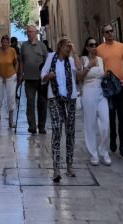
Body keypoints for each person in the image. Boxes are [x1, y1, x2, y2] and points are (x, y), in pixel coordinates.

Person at [41, 36, 80, 182]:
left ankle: (69, 165)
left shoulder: (71, 61)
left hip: (70, 99)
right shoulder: (51, 58)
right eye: (67, 47)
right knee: (57, 129)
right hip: (55, 99)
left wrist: (75, 52)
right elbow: (42, 76)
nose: (68, 49)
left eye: (70, 47)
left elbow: (80, 68)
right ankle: (56, 168)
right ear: (60, 47)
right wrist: (48, 76)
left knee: (70, 131)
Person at [96, 23, 123, 158]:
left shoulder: (121, 47)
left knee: (122, 117)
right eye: (107, 32)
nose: (110, 33)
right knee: (110, 116)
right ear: (103, 34)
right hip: (108, 89)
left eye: (111, 31)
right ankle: (112, 139)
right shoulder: (99, 49)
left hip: (121, 87)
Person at [81, 37, 111, 166]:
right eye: (91, 45)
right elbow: (79, 77)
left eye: (95, 44)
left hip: (100, 92)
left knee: (106, 122)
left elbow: (102, 74)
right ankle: (93, 154)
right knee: (90, 123)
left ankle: (104, 151)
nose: (94, 47)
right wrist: (88, 67)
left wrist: (106, 75)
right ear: (87, 47)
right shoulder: (84, 59)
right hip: (88, 91)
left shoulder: (100, 60)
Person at [19, 24, 49, 135]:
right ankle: (32, 126)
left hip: (41, 80)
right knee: (30, 103)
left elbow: (47, 60)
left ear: (36, 33)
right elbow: (21, 60)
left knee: (42, 103)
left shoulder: (42, 46)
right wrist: (21, 72)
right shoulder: (24, 46)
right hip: (28, 79)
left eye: (31, 32)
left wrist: (46, 75)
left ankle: (41, 126)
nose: (29, 34)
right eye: (27, 32)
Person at [0, 35, 19, 128]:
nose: (5, 44)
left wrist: (15, 72)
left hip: (10, 76)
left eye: (6, 42)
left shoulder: (12, 51)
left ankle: (11, 120)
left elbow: (16, 62)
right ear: (1, 42)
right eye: (3, 42)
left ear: (9, 43)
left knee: (11, 97)